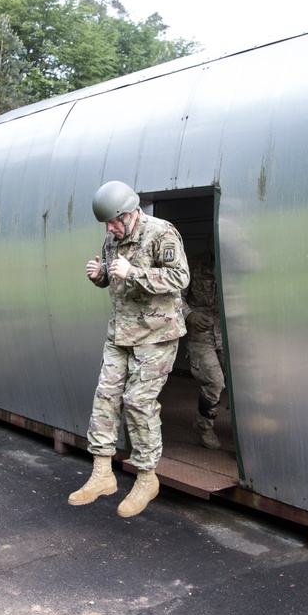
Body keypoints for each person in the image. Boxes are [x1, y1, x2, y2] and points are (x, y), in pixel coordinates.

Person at [68, 181, 190, 517]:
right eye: (106, 224)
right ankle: (102, 473)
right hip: (121, 333)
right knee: (105, 395)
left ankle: (147, 477)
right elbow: (113, 276)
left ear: (130, 213)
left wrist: (134, 272)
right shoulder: (113, 237)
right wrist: (100, 275)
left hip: (156, 334)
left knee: (138, 401)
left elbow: (180, 278)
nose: (109, 229)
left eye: (112, 222)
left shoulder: (162, 233)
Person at [181, 242, 225, 450]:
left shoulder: (236, 264)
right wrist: (190, 315)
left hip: (228, 335)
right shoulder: (194, 264)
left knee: (244, 382)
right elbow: (175, 297)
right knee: (215, 383)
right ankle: (203, 427)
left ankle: (244, 430)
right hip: (202, 336)